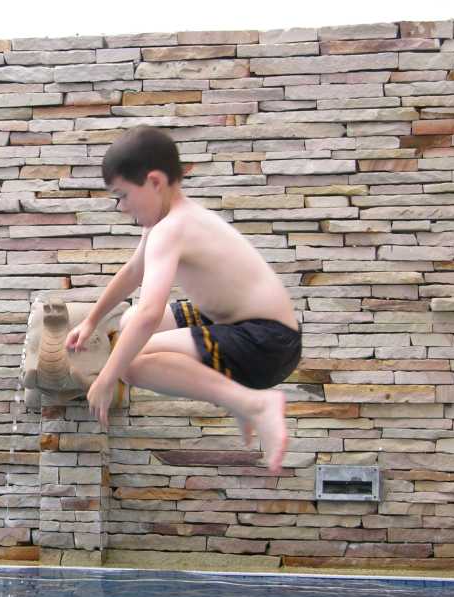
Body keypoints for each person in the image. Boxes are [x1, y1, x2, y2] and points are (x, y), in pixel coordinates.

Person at [65, 126, 301, 473]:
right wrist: (91, 320)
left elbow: (150, 313)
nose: (120, 207)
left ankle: (254, 403)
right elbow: (134, 272)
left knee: (129, 363)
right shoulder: (168, 221)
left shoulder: (171, 228)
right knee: (127, 324)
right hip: (245, 325)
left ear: (155, 182)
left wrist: (105, 380)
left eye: (123, 195)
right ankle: (237, 397)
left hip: (266, 344)